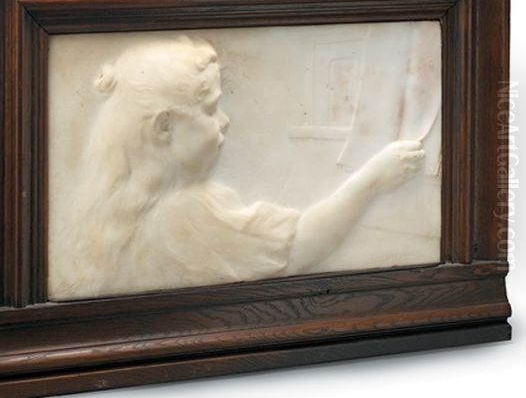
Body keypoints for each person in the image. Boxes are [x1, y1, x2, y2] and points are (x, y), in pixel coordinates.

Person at [48, 35, 425, 300]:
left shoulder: (106, 210)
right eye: (211, 109)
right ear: (164, 127)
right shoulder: (183, 216)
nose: (224, 121)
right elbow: (298, 248)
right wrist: (372, 180)